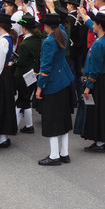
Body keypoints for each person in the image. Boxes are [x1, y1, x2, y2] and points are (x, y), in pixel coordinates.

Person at [36, 10, 75, 165]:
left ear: (47, 26)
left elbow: (45, 68)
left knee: (51, 120)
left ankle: (54, 156)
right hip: (64, 80)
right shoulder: (62, 34)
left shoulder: (48, 42)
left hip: (53, 84)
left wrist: (40, 87)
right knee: (63, 119)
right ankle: (64, 153)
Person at [76, 11, 105, 152]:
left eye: (94, 23)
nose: (92, 25)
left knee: (96, 111)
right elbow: (92, 27)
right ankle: (102, 140)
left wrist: (88, 86)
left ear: (99, 26)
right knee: (103, 110)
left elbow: (95, 69)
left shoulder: (99, 45)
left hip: (97, 81)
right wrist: (84, 16)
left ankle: (99, 142)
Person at [0, 12, 19, 148]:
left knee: (1, 105)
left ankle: (2, 137)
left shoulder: (2, 41)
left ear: (0, 24)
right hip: (6, 74)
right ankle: (4, 136)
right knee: (5, 104)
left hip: (2, 74)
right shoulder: (6, 39)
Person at [14, 14, 42, 134]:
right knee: (25, 100)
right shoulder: (37, 39)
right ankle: (29, 125)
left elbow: (21, 62)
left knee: (21, 100)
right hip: (33, 73)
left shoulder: (25, 44)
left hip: (24, 75)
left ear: (25, 28)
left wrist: (15, 60)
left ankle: (14, 126)